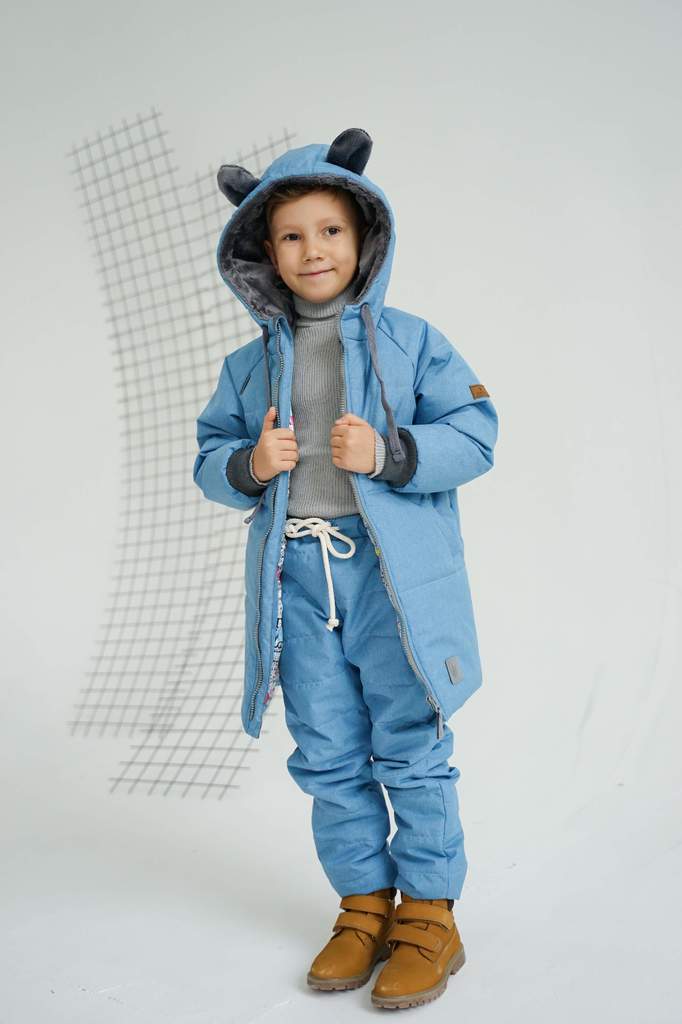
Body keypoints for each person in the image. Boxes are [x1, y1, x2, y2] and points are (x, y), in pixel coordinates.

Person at [193, 128, 498, 1010]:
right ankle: (363, 905)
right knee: (326, 749)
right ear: (264, 255)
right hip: (296, 577)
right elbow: (210, 456)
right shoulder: (248, 367)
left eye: (330, 230)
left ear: (366, 239)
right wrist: (249, 465)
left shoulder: (412, 342)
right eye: (291, 236)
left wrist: (393, 453)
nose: (312, 250)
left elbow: (476, 434)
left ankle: (430, 913)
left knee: (410, 743)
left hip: (389, 581)